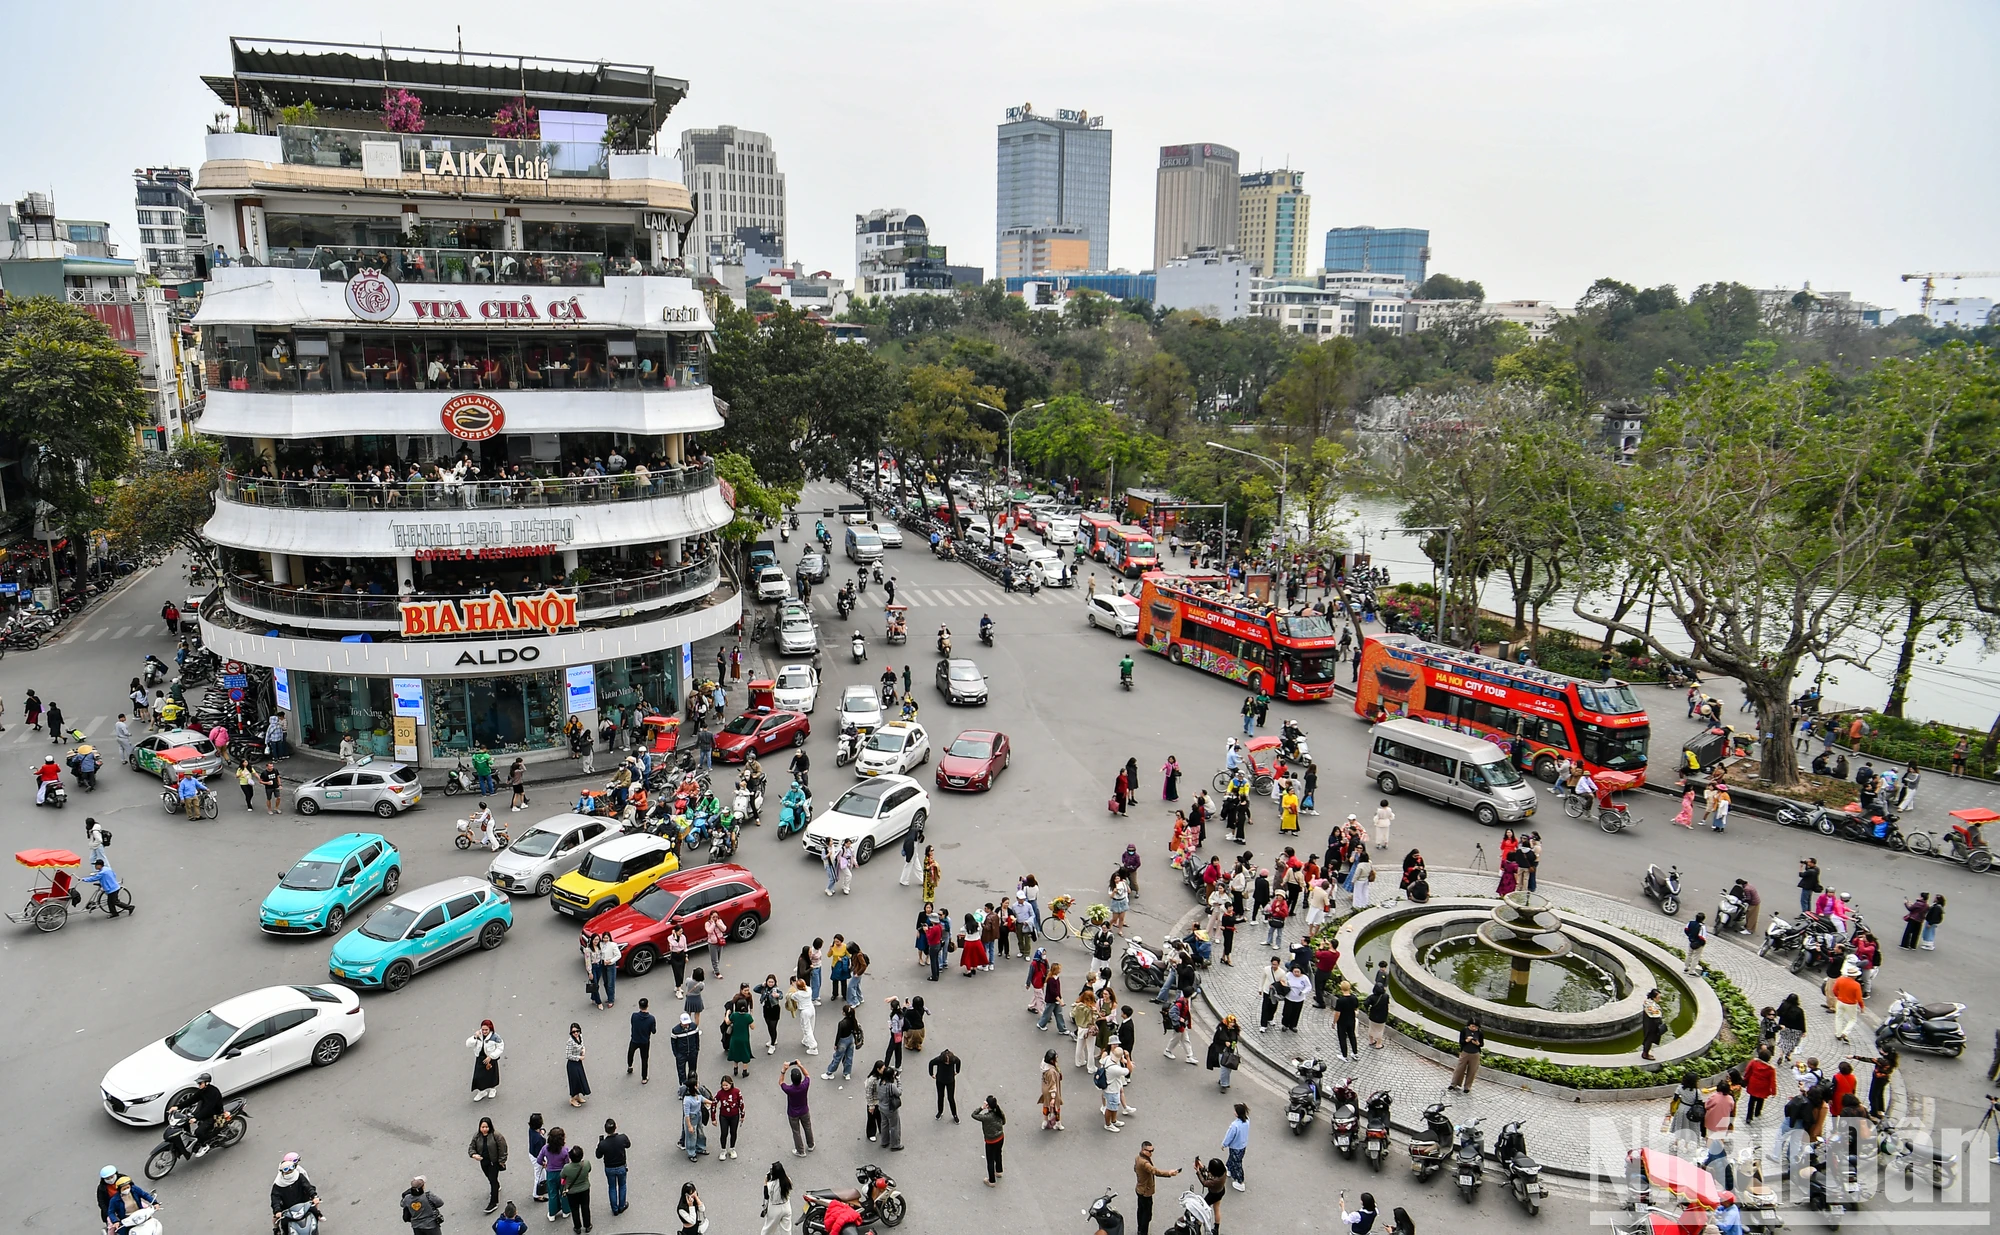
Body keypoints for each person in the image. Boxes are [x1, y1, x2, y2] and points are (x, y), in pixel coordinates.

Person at [270, 1151, 321, 1229]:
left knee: (314, 1212)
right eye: (287, 1170)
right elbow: (275, 1198)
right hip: (288, 1209)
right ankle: (276, 1230)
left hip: (303, 1204)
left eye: (291, 1169)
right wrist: (277, 1210)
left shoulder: (299, 1176)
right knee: (284, 1224)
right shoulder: (278, 1184)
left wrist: (314, 1196)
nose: (290, 1172)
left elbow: (308, 1186)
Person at [468, 1118, 507, 1215]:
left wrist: (502, 1161)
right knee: (490, 1178)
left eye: (486, 1127)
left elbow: (503, 1148)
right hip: (483, 1162)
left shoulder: (496, 1136)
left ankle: (494, 1202)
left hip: (494, 1163)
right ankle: (496, 1186)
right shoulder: (477, 1136)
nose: (484, 1129)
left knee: (493, 1181)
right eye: (482, 1127)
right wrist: (473, 1155)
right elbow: (471, 1147)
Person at [781, 1063, 815, 1156]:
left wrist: (783, 1071)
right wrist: (800, 1065)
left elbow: (781, 1082)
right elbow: (807, 1075)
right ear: (800, 1078)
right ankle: (811, 1144)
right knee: (807, 1127)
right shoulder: (805, 1085)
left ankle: (800, 1150)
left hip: (793, 1113)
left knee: (796, 1132)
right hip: (804, 1110)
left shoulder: (789, 1089)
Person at [468, 1019, 503, 1101]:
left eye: (486, 1030)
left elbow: (500, 1048)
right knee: (478, 1076)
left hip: (490, 1059)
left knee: (492, 1075)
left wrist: (491, 1056)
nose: (484, 1031)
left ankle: (492, 1089)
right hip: (480, 1058)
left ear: (490, 1028)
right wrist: (474, 1037)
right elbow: (468, 1044)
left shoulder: (495, 1037)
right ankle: (481, 1091)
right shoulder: (478, 1035)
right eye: (483, 1029)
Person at [974, 1094, 1006, 1184]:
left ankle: (991, 1180)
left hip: (991, 1141)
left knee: (990, 1160)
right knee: (998, 1154)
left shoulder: (986, 1117)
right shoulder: (998, 1112)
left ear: (988, 1105)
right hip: (1000, 1137)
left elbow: (974, 1115)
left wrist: (981, 1107)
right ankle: (999, 1171)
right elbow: (1003, 1121)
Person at [1221, 1102, 1250, 1192]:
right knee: (1234, 1159)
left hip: (1235, 1147)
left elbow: (1229, 1136)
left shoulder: (1235, 1125)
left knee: (1237, 1164)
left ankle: (1240, 1182)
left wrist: (1224, 1144)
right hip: (1242, 1145)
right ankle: (1229, 1169)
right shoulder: (1247, 1120)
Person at [1448, 1020, 1484, 1092]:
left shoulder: (1480, 1033)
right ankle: (1454, 1084)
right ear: (1469, 1025)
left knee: (1472, 1071)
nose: (1474, 1028)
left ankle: (1467, 1087)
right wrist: (1466, 1040)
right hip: (1465, 1052)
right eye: (1473, 1026)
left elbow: (1482, 1044)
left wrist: (1477, 1043)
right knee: (1459, 1069)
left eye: (1476, 1027)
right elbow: (1461, 1042)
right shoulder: (1464, 1030)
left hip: (1475, 1054)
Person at [715, 1076, 745, 1160]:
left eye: (726, 1085)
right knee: (724, 1133)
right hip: (723, 1116)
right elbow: (714, 1103)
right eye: (723, 1085)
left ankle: (732, 1148)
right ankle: (723, 1150)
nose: (725, 1087)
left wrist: (742, 1115)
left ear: (731, 1084)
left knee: (733, 1132)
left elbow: (741, 1103)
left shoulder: (737, 1092)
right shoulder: (720, 1093)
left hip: (734, 1116)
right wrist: (713, 1118)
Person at [628, 998, 657, 1084]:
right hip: (644, 1042)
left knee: (630, 1053)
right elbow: (654, 1031)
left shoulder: (634, 1016)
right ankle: (644, 1078)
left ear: (639, 1006)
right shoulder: (651, 1019)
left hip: (635, 1039)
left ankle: (630, 1065)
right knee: (644, 1059)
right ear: (647, 1006)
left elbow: (632, 1023)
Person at [761, 1162, 795, 1235]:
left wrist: (765, 1182)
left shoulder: (770, 1185)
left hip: (774, 1209)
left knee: (768, 1230)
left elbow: (766, 1196)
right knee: (786, 1231)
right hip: (786, 1207)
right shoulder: (788, 1181)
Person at [565, 1022, 591, 1107]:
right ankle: (572, 1099)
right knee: (575, 1081)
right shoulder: (570, 1042)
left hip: (578, 1063)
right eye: (573, 1032)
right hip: (572, 1064)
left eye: (577, 1031)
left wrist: (583, 1050)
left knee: (580, 1079)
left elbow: (582, 1045)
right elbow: (568, 1055)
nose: (576, 1033)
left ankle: (577, 1096)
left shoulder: (580, 1037)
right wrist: (578, 1057)